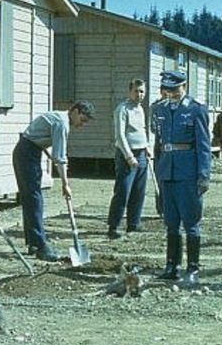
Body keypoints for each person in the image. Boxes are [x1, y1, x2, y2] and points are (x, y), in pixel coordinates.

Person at [13, 100, 95, 261]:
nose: (82, 125)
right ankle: (40, 245)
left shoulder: (60, 118)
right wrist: (65, 184)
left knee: (31, 199)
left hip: (29, 151)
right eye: (82, 120)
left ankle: (33, 243)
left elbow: (40, 137)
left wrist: (49, 152)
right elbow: (60, 158)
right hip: (26, 153)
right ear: (76, 111)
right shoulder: (62, 123)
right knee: (34, 199)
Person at [154, 70, 211, 286]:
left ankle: (193, 268)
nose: (172, 94)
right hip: (167, 172)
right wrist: (159, 171)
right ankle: (172, 266)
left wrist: (204, 175)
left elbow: (203, 145)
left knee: (191, 223)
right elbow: (159, 143)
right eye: (168, 90)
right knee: (171, 222)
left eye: (175, 89)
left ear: (184, 87)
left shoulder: (196, 109)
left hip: (188, 173)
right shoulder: (160, 109)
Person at [107, 79, 150, 239]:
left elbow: (142, 130)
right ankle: (113, 226)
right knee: (123, 191)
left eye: (142, 91)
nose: (139, 94)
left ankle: (133, 223)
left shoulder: (140, 109)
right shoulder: (122, 109)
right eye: (136, 91)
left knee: (139, 191)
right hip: (127, 155)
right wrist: (129, 156)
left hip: (142, 154)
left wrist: (147, 147)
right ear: (130, 91)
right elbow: (120, 135)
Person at [150, 86, 169, 218]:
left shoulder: (176, 106)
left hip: (173, 145)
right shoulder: (155, 106)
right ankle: (161, 208)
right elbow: (153, 127)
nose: (167, 94)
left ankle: (170, 208)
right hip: (159, 144)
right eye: (165, 91)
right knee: (159, 176)